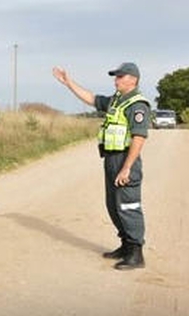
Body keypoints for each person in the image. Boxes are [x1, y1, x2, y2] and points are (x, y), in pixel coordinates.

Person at [52, 62, 150, 270]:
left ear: (133, 80)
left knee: (128, 206)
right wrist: (68, 83)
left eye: (120, 77)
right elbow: (92, 99)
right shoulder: (116, 101)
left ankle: (135, 253)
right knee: (113, 205)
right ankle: (125, 245)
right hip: (111, 159)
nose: (116, 80)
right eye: (115, 77)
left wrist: (127, 167)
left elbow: (139, 137)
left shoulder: (137, 104)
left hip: (125, 159)